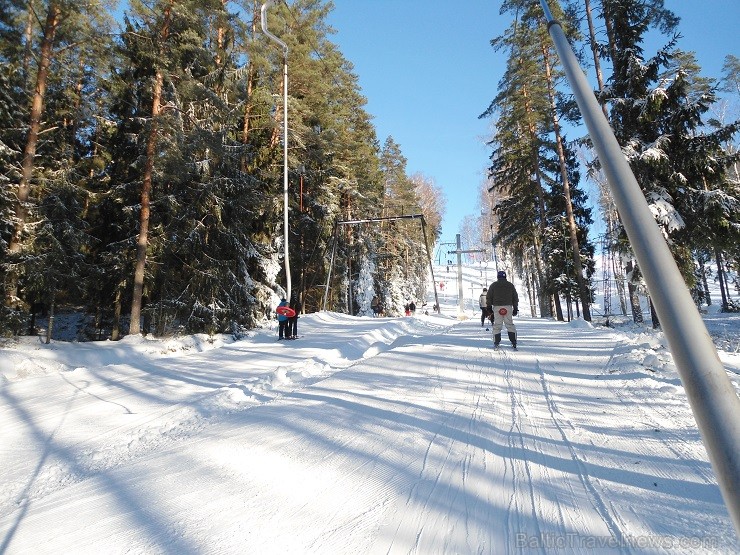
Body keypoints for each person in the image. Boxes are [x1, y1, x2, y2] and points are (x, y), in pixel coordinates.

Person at [486, 270, 519, 348]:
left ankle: (496, 342)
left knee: (497, 324)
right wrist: (515, 308)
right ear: (505, 277)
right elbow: (515, 297)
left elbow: (489, 297)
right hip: (508, 307)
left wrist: (489, 307)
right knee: (509, 324)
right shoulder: (510, 285)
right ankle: (513, 341)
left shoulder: (493, 285)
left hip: (497, 307)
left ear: (498, 277)